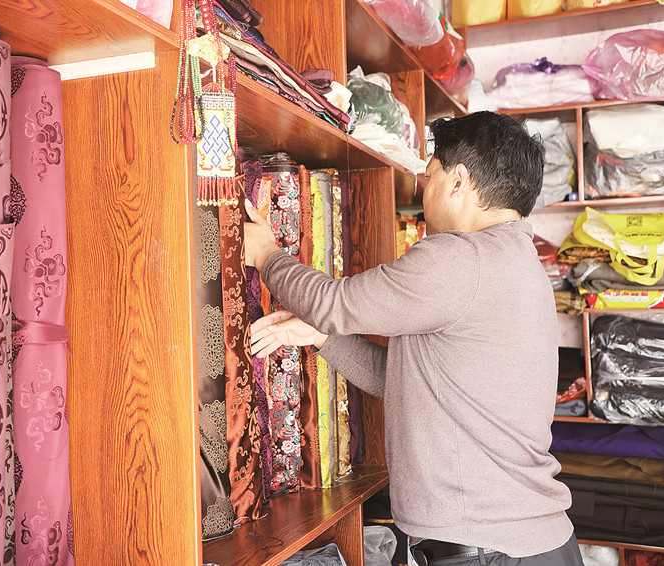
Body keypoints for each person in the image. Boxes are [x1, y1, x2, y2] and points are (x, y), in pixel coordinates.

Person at [243, 111, 583, 566]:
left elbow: (332, 303)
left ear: (458, 181)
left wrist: (265, 253)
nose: (424, 192)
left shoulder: (462, 258)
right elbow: (405, 380)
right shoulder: (519, 264)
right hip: (527, 544)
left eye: (430, 175)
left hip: (487, 550)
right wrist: (325, 338)